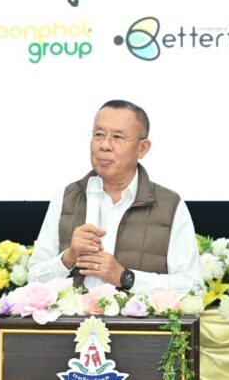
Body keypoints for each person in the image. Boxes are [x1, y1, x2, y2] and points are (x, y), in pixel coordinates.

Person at [28, 100, 202, 294]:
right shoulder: (67, 197)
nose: (104, 145)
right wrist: (68, 258)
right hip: (74, 314)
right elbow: (33, 278)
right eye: (99, 135)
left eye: (117, 137)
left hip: (138, 315)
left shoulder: (169, 205)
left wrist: (125, 277)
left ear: (142, 148)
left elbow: (193, 287)